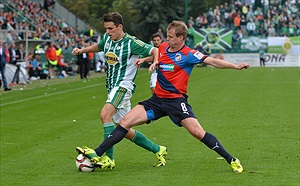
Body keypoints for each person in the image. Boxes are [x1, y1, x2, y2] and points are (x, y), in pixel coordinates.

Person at [76, 20, 249, 173]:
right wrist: (146, 61)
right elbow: (155, 54)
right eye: (167, 36)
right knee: (124, 122)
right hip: (157, 101)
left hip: (176, 102)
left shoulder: (189, 54)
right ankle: (97, 153)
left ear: (181, 38)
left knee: (197, 132)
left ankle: (231, 159)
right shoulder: (165, 47)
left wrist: (235, 66)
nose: (167, 40)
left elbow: (212, 61)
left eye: (171, 37)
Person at [72, 12, 167, 169]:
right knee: (123, 128)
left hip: (123, 86)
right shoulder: (108, 39)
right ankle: (158, 149)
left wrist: (155, 62)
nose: (108, 32)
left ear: (120, 27)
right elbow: (99, 46)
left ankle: (108, 159)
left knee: (105, 115)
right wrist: (82, 50)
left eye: (111, 28)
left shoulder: (131, 42)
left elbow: (154, 50)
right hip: (112, 88)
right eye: (106, 28)